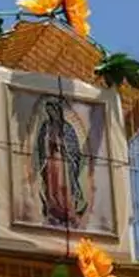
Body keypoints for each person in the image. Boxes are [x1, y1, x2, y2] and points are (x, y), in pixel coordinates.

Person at [31, 95, 89, 228]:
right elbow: (42, 144)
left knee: (65, 187)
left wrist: (62, 147)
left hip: (63, 162)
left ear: (57, 111)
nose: (50, 113)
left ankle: (68, 213)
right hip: (50, 163)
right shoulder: (46, 126)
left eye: (52, 110)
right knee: (52, 188)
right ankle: (53, 212)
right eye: (48, 111)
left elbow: (73, 148)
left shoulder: (66, 127)